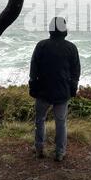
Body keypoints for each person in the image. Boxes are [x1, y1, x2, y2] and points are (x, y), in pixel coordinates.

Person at [29, 17, 81, 162]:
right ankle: (60, 152)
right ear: (64, 30)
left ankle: (39, 149)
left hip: (42, 91)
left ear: (51, 29)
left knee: (39, 120)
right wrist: (73, 88)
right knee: (61, 123)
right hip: (62, 92)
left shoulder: (41, 45)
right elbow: (76, 71)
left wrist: (32, 86)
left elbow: (34, 69)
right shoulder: (71, 47)